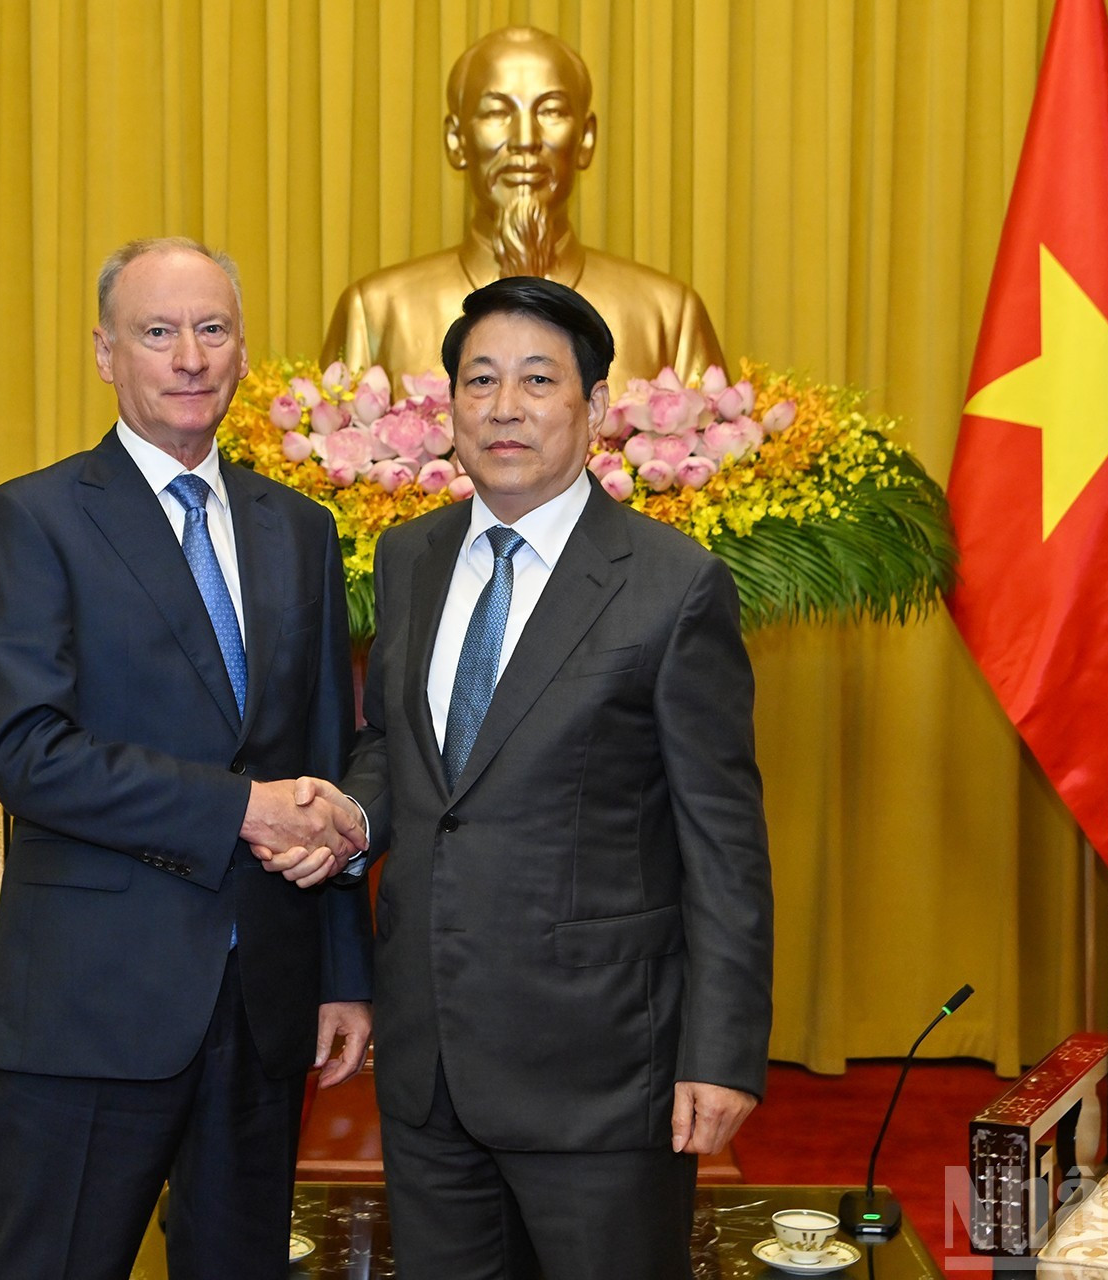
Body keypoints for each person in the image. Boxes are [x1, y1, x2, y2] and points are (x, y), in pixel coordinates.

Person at [327, 276, 772, 1278]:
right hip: (431, 1061)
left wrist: (723, 1048)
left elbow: (724, 840)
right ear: (448, 409)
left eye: (537, 378)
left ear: (598, 406)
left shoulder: (670, 583)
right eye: (478, 380)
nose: (503, 405)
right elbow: (400, 753)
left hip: (602, 1070)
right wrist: (346, 814)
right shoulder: (411, 559)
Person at [0, 236, 374, 1280]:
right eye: (158, 332)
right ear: (106, 353)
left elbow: (328, 755)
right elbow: (29, 753)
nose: (189, 356)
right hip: (93, 1003)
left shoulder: (302, 531)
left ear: (242, 353)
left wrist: (343, 974)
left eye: (212, 329)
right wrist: (241, 809)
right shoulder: (32, 520)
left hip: (267, 1000)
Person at [323, 25, 726, 389]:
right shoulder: (376, 312)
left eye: (550, 111)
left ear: (585, 139)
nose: (525, 139)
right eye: (497, 112)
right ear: (456, 140)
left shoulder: (669, 316)